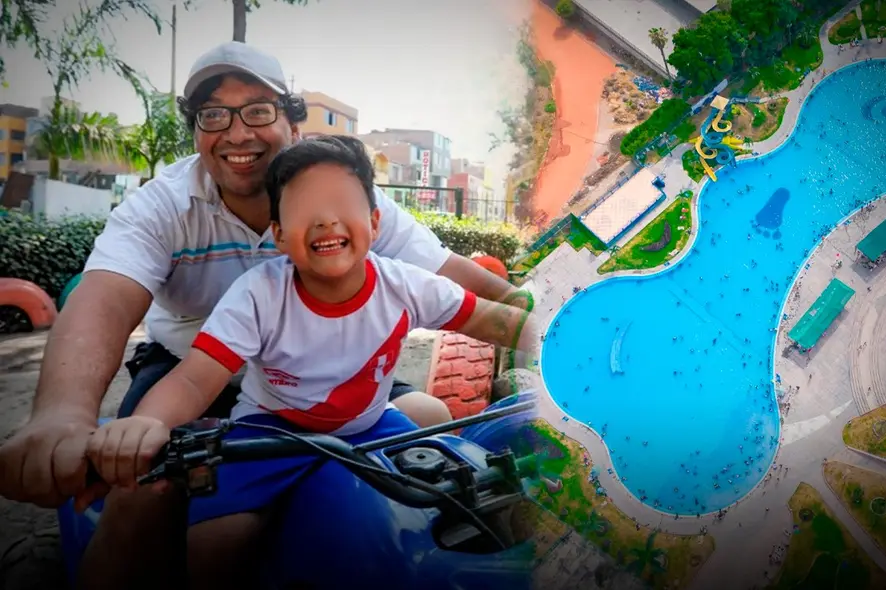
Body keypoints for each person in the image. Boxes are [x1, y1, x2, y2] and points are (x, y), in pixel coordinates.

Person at [0, 42, 530, 588]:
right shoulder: (162, 207)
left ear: (291, 124)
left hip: (325, 373)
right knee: (143, 483)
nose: (237, 133)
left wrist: (541, 311)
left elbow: (454, 277)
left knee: (430, 419)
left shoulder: (341, 194)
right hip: (191, 369)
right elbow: (104, 299)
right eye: (214, 115)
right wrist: (62, 414)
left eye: (257, 110)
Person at [84, 135, 538, 586]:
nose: (325, 220)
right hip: (269, 431)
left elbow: (495, 322)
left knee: (454, 498)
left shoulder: (407, 285)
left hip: (371, 426)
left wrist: (556, 332)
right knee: (215, 542)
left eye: (341, 204)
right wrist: (148, 422)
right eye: (305, 209)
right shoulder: (258, 294)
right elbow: (193, 379)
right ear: (279, 234)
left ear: (374, 223)